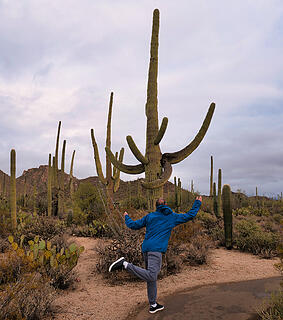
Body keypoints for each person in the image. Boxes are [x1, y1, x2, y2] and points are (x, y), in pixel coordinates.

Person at [108, 196, 202, 314]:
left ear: (156, 206)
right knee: (152, 275)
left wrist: (126, 217)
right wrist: (197, 203)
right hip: (156, 250)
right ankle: (125, 264)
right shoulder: (172, 217)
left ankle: (153, 305)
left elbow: (133, 225)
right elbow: (190, 215)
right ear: (166, 205)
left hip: (146, 249)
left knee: (151, 279)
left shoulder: (150, 216)